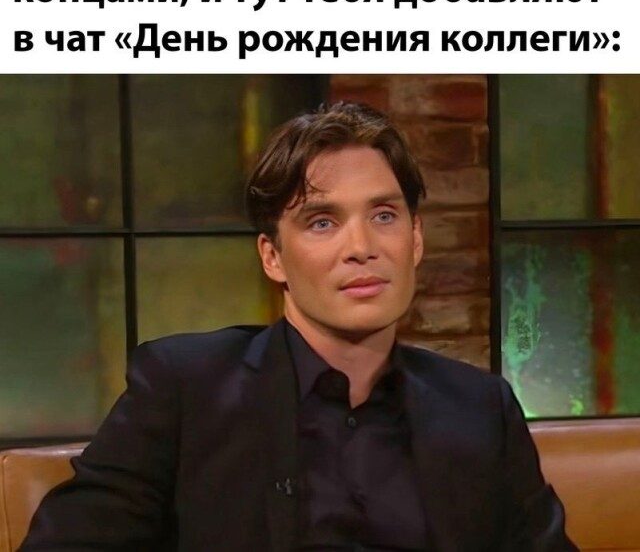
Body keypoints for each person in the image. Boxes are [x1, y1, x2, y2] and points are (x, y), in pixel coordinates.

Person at [21, 102, 577, 551]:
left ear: (415, 240)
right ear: (273, 257)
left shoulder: (480, 408)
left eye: (383, 216)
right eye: (322, 222)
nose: (361, 248)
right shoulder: (185, 390)